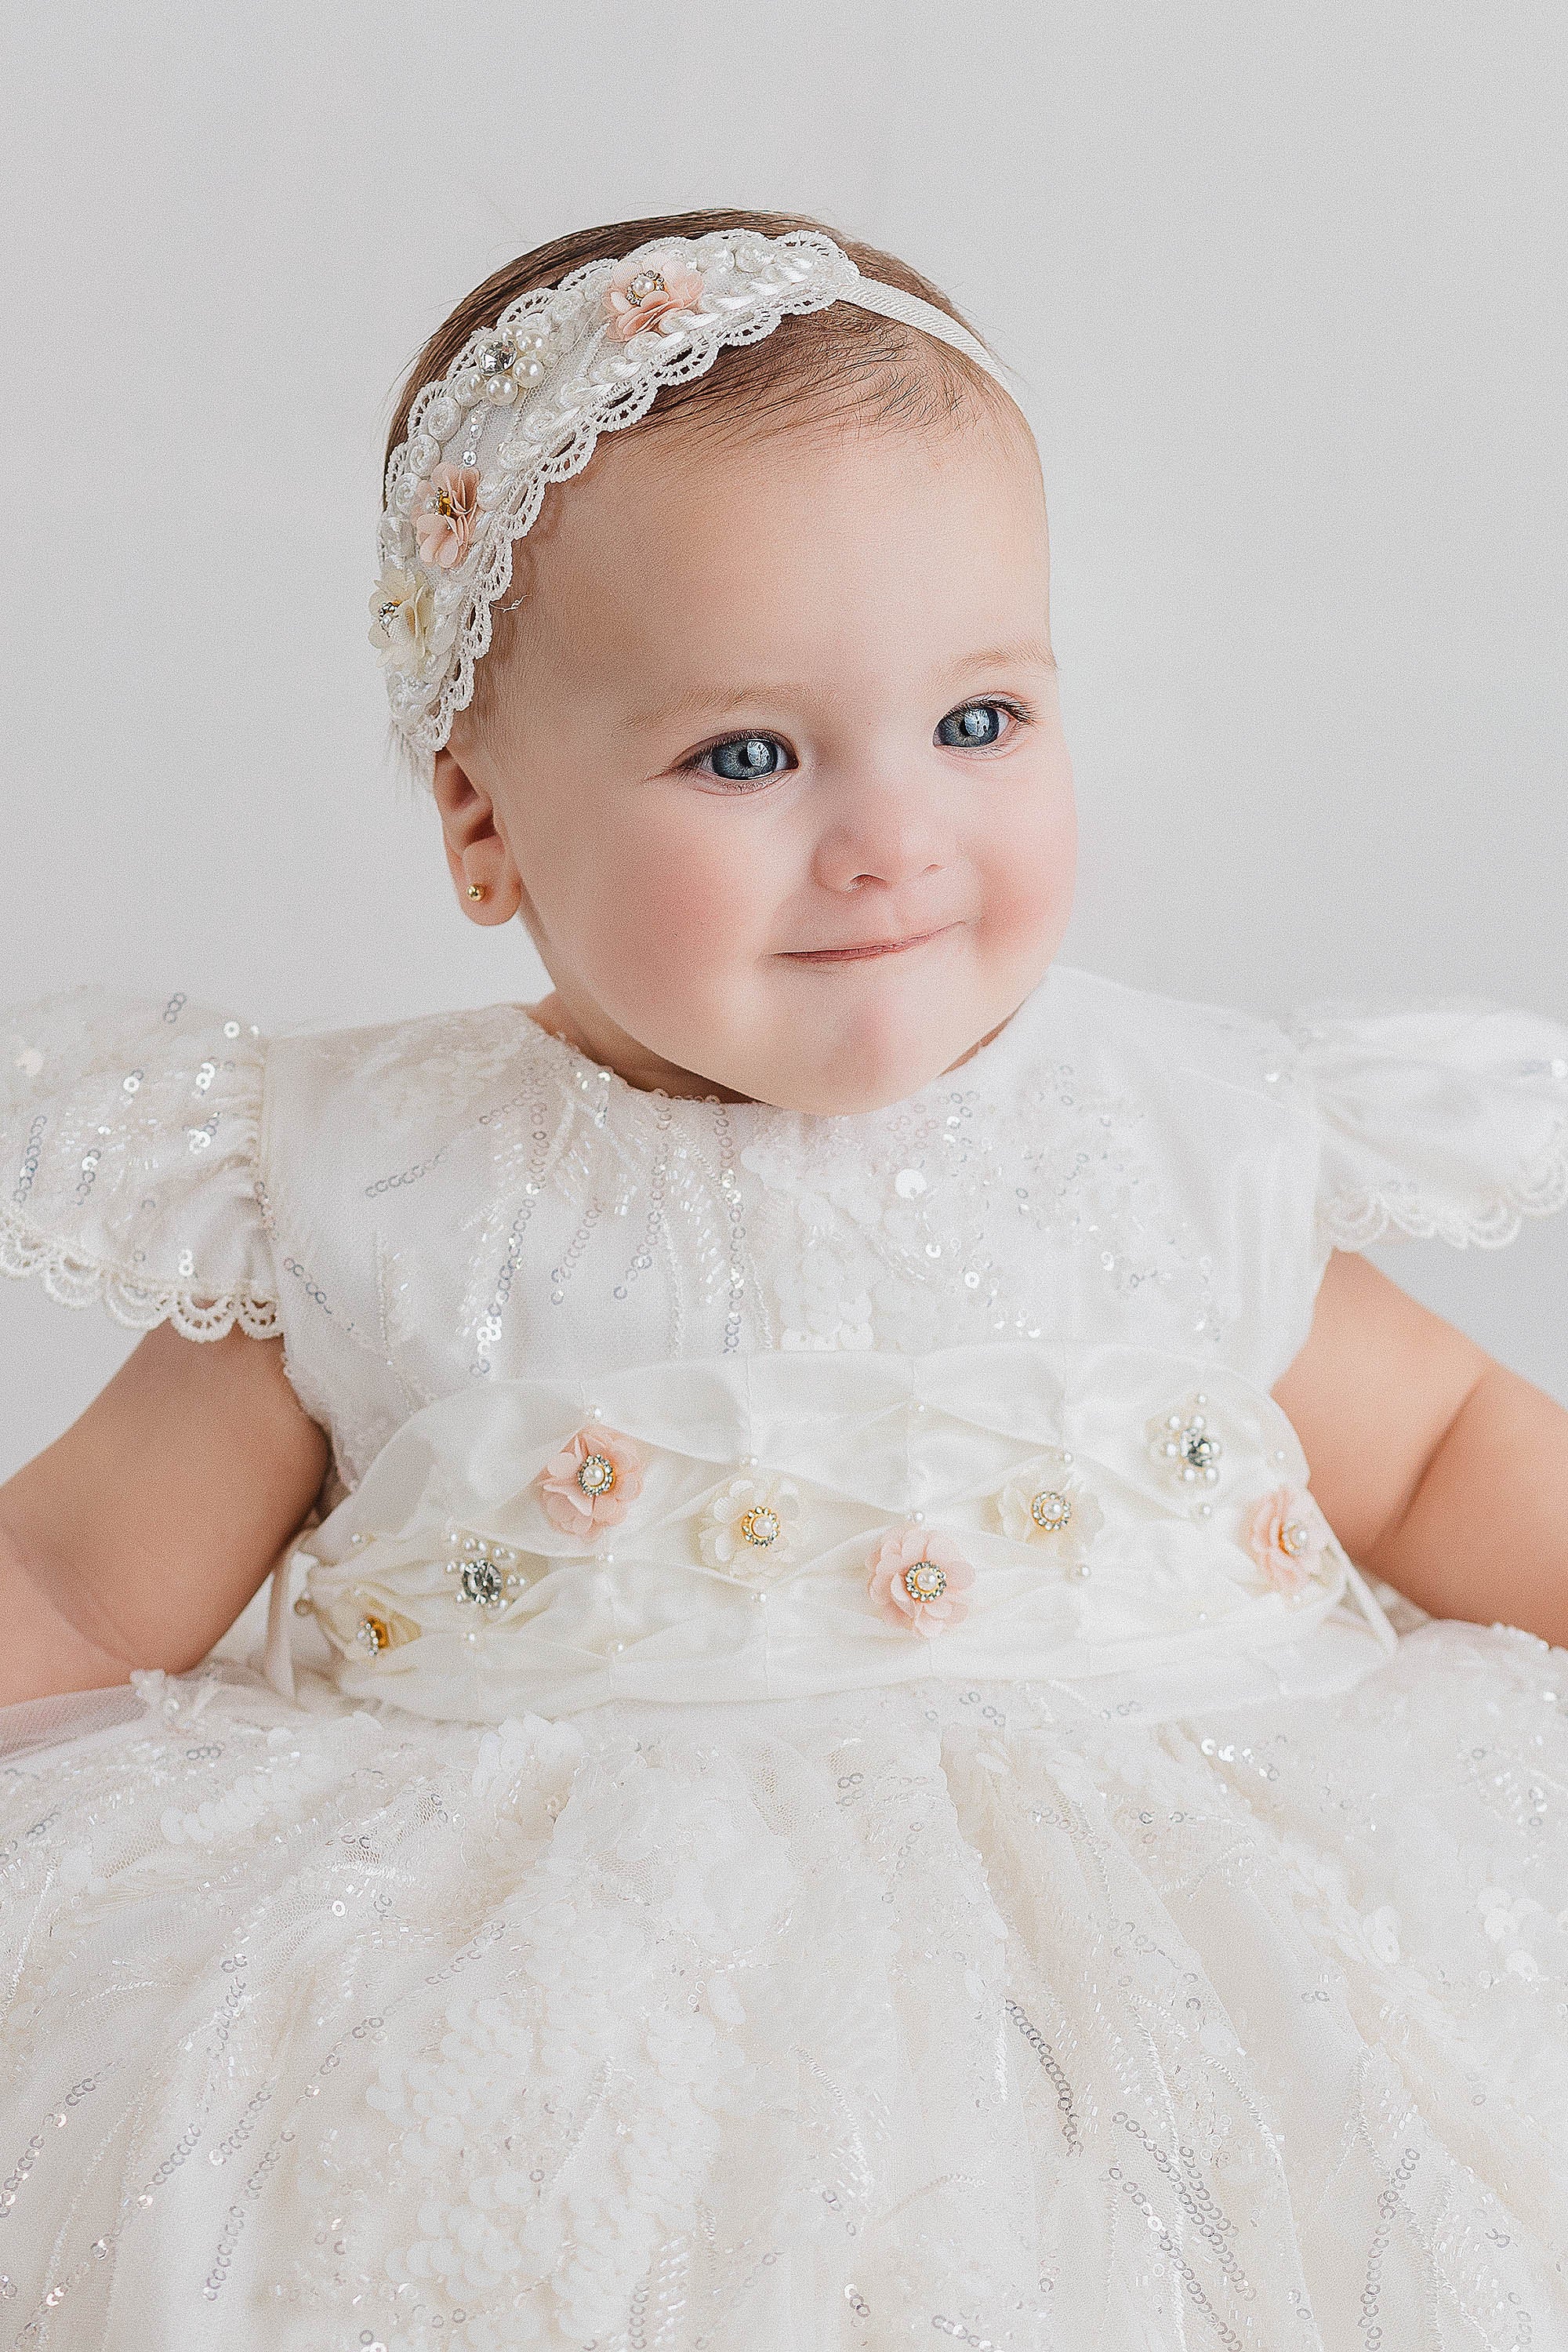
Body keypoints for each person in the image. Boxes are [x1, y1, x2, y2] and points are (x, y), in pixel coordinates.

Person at [2, 206, 1565, 2350]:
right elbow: (81, 1594)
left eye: (981, 718)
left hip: (1172, 1987)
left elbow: (1456, 1447)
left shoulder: (1169, 1132)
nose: (893, 835)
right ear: (484, 827)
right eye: (750, 754)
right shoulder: (364, 1189)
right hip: (551, 2038)